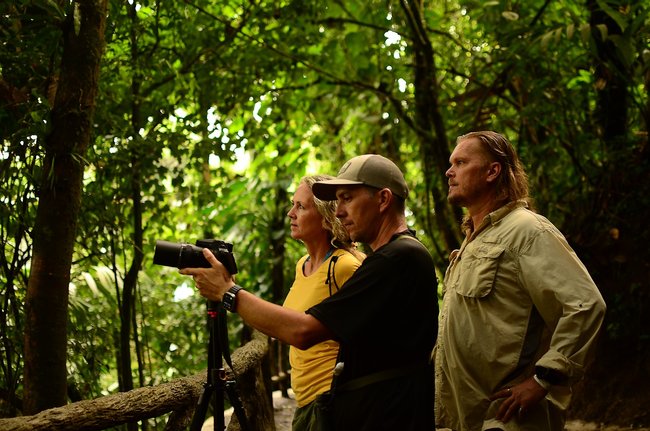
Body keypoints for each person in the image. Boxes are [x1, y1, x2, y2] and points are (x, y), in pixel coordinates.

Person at [180, 154, 439, 431]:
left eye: (347, 198)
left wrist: (228, 291)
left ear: (383, 199)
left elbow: (304, 332)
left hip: (388, 415)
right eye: (337, 201)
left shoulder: (395, 259)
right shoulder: (394, 256)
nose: (339, 211)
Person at [434, 131, 607, 431]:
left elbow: (585, 305)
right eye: (451, 163)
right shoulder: (471, 242)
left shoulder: (527, 231)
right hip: (466, 420)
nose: (450, 171)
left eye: (461, 162)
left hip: (507, 419)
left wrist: (544, 379)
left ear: (492, 171)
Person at [283, 174, 364, 430]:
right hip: (304, 399)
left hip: (331, 399)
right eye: (293, 204)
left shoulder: (344, 266)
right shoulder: (302, 266)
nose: (290, 213)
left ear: (327, 219)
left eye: (301, 207)